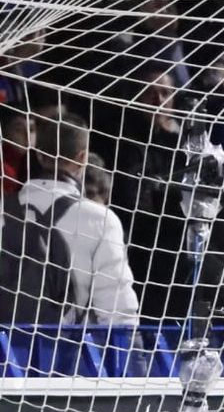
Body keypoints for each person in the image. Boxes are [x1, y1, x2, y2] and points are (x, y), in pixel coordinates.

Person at [19, 111, 139, 326]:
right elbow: (118, 310)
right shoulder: (100, 219)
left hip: (6, 351)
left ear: (38, 154)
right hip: (67, 352)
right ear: (83, 157)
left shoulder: (4, 209)